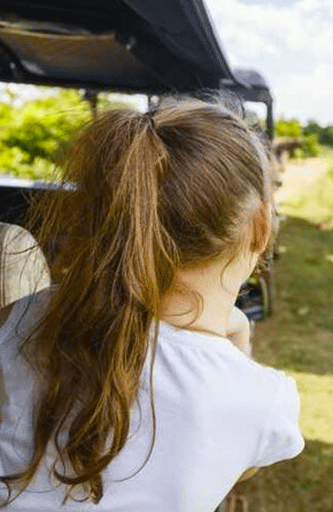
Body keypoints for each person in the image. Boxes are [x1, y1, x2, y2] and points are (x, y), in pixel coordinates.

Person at [0, 94, 304, 510]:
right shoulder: (264, 401)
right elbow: (239, 465)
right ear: (261, 227)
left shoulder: (24, 317)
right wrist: (239, 338)